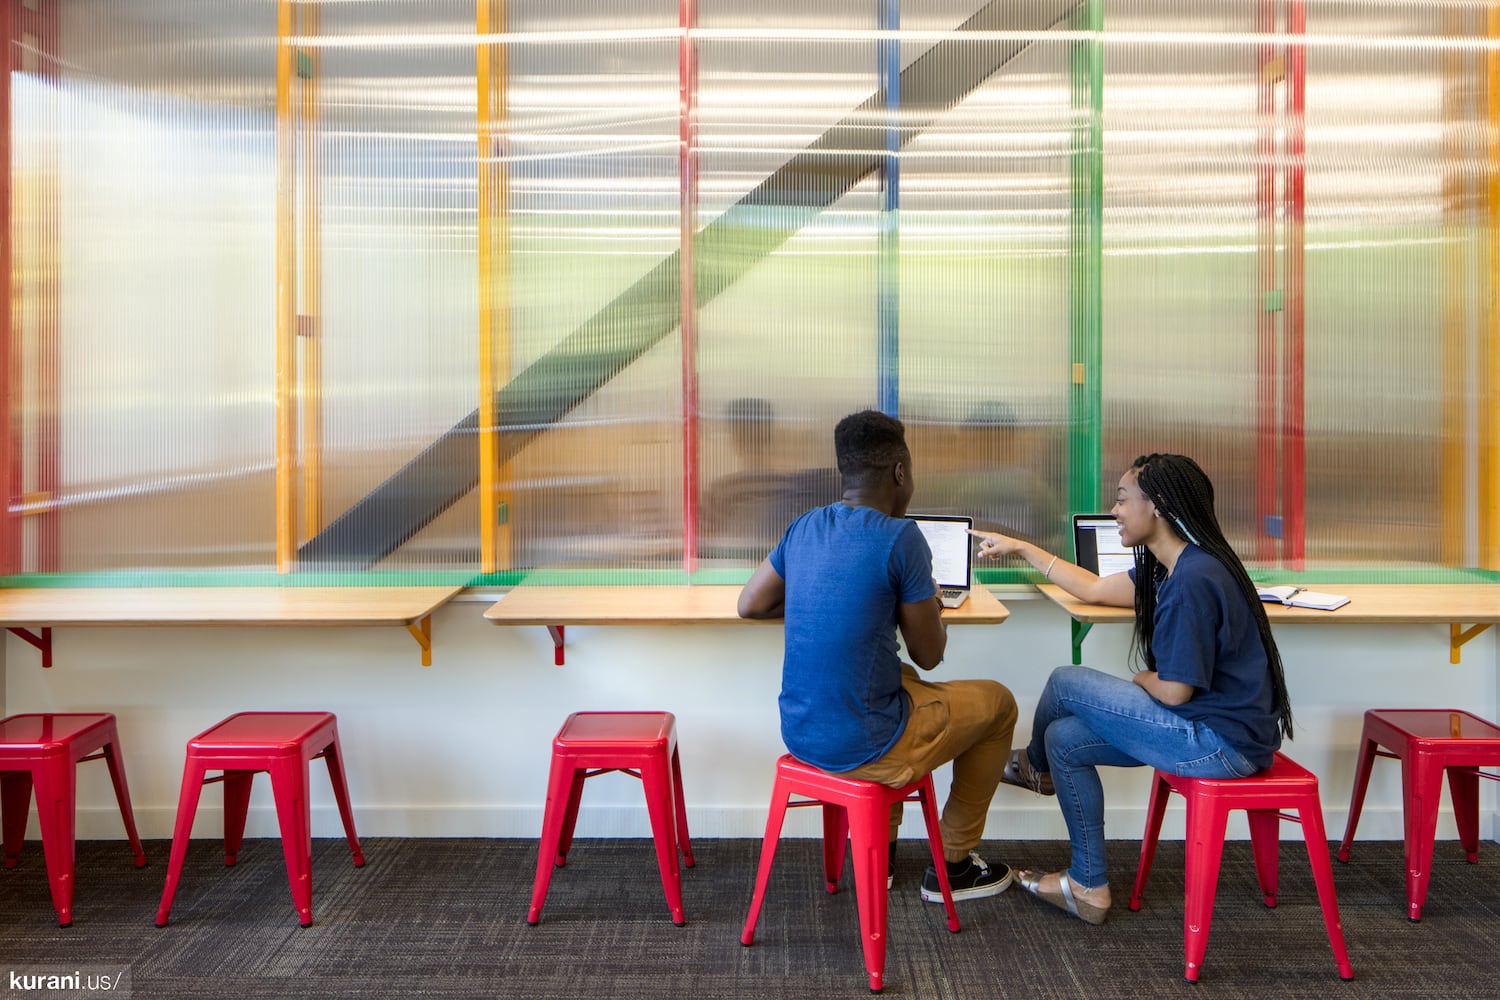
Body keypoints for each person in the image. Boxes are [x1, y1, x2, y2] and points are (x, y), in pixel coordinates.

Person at [971, 453, 1293, 925]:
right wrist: (1022, 548)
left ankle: (1031, 767)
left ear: (1158, 506)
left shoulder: (1192, 582)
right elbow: (1095, 589)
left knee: (1065, 681)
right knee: (1064, 738)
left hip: (1218, 744)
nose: (1115, 511)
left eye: (1122, 500)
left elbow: (1175, 692)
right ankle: (1088, 886)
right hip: (1207, 729)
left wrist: (1142, 678)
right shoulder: (1174, 566)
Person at [738, 409, 1020, 902]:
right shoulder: (901, 537)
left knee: (900, 681)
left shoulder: (804, 526)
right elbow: (930, 654)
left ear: (844, 474)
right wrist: (929, 600)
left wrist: (819, 597)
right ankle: (952, 864)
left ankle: (881, 856)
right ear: (900, 473)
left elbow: (750, 603)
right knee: (999, 704)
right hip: (864, 744)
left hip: (802, 733)